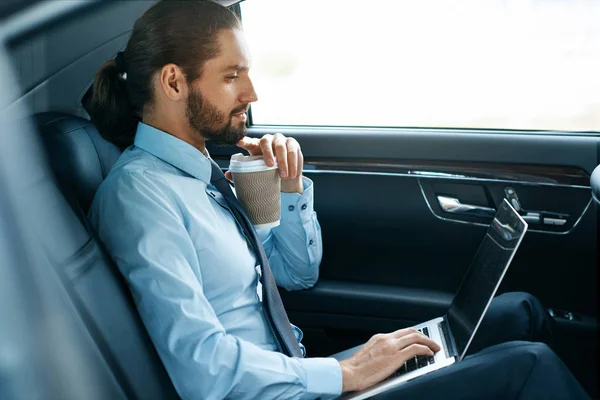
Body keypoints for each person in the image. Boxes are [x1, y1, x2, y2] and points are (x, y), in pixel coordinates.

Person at [86, 1, 589, 399]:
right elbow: (202, 370)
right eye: (232, 75)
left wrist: (286, 186)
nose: (253, 92)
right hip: (287, 391)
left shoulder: (209, 172)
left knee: (518, 311)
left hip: (301, 376)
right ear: (174, 81)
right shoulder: (140, 197)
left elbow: (294, 273)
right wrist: (345, 372)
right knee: (529, 365)